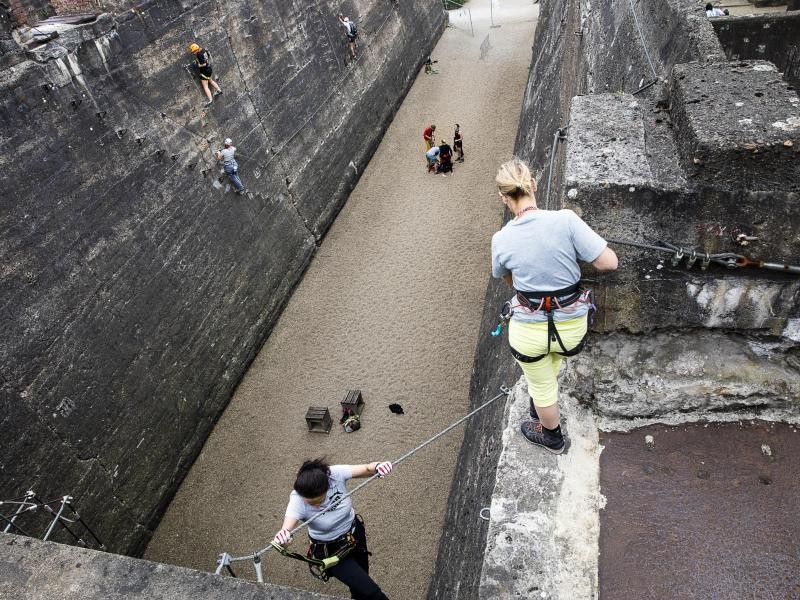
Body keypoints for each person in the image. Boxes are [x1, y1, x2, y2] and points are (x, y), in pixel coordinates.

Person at [490, 158, 618, 454]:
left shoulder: (502, 239)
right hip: (571, 327)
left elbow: (509, 279)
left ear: (503, 197)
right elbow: (609, 262)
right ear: (533, 185)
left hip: (529, 332)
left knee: (542, 388)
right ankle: (543, 408)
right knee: (552, 363)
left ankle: (552, 437)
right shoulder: (566, 220)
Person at [273, 458, 393, 600]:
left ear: (328, 486)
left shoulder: (334, 474)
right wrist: (283, 539)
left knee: (361, 585)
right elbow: (286, 531)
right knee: (372, 593)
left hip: (355, 535)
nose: (316, 507)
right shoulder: (297, 500)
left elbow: (368, 469)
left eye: (319, 501)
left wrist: (379, 466)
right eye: (310, 503)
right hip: (330, 551)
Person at [188, 43, 222, 107]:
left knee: (205, 87)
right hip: (209, 69)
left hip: (204, 71)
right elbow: (208, 55)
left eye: (194, 51)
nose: (194, 53)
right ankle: (219, 90)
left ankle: (210, 100)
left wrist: (198, 65)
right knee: (211, 81)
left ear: (196, 50)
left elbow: (204, 64)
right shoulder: (203, 50)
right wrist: (200, 61)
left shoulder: (199, 54)